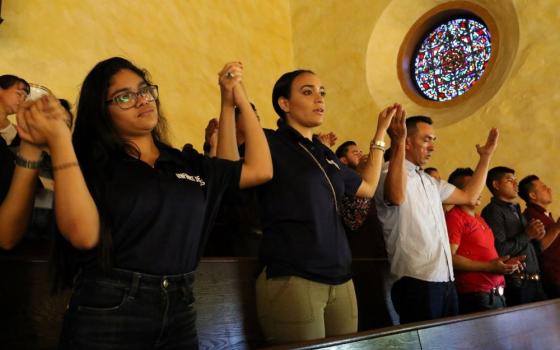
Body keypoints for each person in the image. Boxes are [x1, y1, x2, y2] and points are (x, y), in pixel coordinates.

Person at [17, 57, 272, 349]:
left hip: (181, 306)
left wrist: (235, 96)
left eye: (144, 90)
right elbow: (82, 235)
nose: (141, 100)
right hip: (109, 309)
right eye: (124, 97)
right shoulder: (94, 165)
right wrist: (60, 139)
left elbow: (260, 168)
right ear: (103, 113)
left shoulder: (184, 162)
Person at [255, 68, 402, 344]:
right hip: (294, 274)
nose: (319, 99)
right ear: (284, 104)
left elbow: (367, 188)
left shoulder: (325, 154)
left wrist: (380, 133)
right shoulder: (270, 142)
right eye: (307, 92)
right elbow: (229, 163)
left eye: (322, 93)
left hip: (341, 275)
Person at [375, 115, 498, 324]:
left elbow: (469, 196)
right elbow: (396, 196)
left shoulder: (430, 181)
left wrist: (485, 157)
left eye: (434, 140)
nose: (432, 147)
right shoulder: (387, 172)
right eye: (426, 140)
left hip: (445, 279)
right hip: (415, 278)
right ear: (406, 140)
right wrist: (396, 144)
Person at [445, 167, 522, 314]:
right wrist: (489, 267)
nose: (478, 191)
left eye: (478, 187)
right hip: (476, 295)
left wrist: (504, 263)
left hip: (496, 293)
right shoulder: (454, 217)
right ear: (457, 192)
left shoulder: (479, 218)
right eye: (472, 187)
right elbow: (449, 258)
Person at [481, 167, 547, 306]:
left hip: (535, 280)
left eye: (516, 180)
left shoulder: (516, 210)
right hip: (517, 283)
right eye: (510, 180)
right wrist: (528, 235)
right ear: (496, 185)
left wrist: (537, 236)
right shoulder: (493, 211)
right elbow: (500, 250)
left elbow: (530, 246)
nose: (516, 184)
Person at [519, 175, 560, 297]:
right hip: (553, 278)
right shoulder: (531, 216)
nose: (549, 189)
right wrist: (557, 228)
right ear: (533, 195)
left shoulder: (545, 215)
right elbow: (539, 248)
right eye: (543, 188)